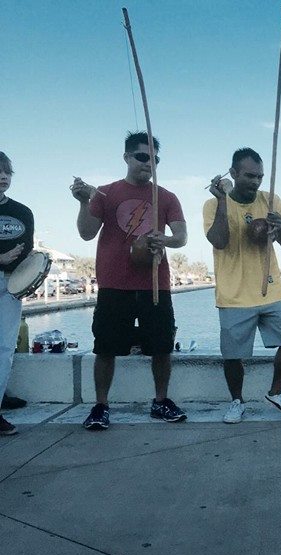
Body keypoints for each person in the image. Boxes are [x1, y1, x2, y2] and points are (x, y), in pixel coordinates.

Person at [70, 132, 188, 430]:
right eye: (143, 157)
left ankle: (161, 402)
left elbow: (182, 237)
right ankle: (101, 406)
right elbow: (86, 233)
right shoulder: (105, 194)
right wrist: (85, 202)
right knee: (105, 348)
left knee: (162, 347)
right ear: (127, 157)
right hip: (114, 285)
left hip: (155, 284)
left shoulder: (168, 197)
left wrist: (166, 240)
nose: (150, 164)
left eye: (155, 159)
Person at [204, 147, 281, 424]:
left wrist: (280, 226)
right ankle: (236, 401)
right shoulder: (212, 204)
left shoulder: (271, 200)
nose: (256, 182)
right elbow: (219, 240)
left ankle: (276, 393)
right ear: (233, 173)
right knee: (233, 355)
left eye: (259, 176)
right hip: (233, 294)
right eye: (249, 176)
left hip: (269, 288)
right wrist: (222, 201)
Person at [0, 151, 34, 436]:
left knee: (4, 347)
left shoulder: (23, 212)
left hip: (10, 285)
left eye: (7, 172)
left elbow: (27, 252)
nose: (2, 177)